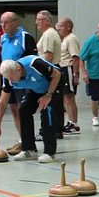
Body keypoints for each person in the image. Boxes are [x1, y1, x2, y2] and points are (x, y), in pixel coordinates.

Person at [0, 57, 63, 163]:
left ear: (19, 69)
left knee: (46, 111)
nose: (11, 81)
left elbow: (57, 74)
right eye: (8, 78)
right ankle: (29, 149)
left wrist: (48, 95)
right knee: (24, 110)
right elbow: (2, 102)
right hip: (37, 87)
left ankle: (49, 153)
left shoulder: (35, 64)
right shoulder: (8, 77)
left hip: (54, 85)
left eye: (12, 77)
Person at [0, 12, 37, 150]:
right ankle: (22, 140)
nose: (3, 26)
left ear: (15, 22)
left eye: (7, 22)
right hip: (8, 80)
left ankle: (29, 144)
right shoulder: (3, 39)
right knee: (13, 110)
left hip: (22, 81)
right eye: (1, 23)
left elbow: (33, 61)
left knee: (23, 111)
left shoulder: (25, 37)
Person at [34, 10, 62, 140]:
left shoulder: (48, 35)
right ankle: (56, 130)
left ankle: (46, 131)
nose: (36, 23)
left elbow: (48, 56)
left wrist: (41, 73)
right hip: (54, 70)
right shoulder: (50, 33)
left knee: (47, 103)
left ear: (47, 21)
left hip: (50, 72)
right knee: (56, 104)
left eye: (39, 20)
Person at [55, 17, 81, 135]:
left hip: (68, 69)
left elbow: (75, 57)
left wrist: (75, 74)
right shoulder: (64, 39)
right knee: (66, 98)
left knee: (69, 97)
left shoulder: (71, 39)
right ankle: (70, 121)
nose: (58, 28)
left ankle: (74, 124)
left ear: (68, 27)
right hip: (63, 69)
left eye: (61, 26)